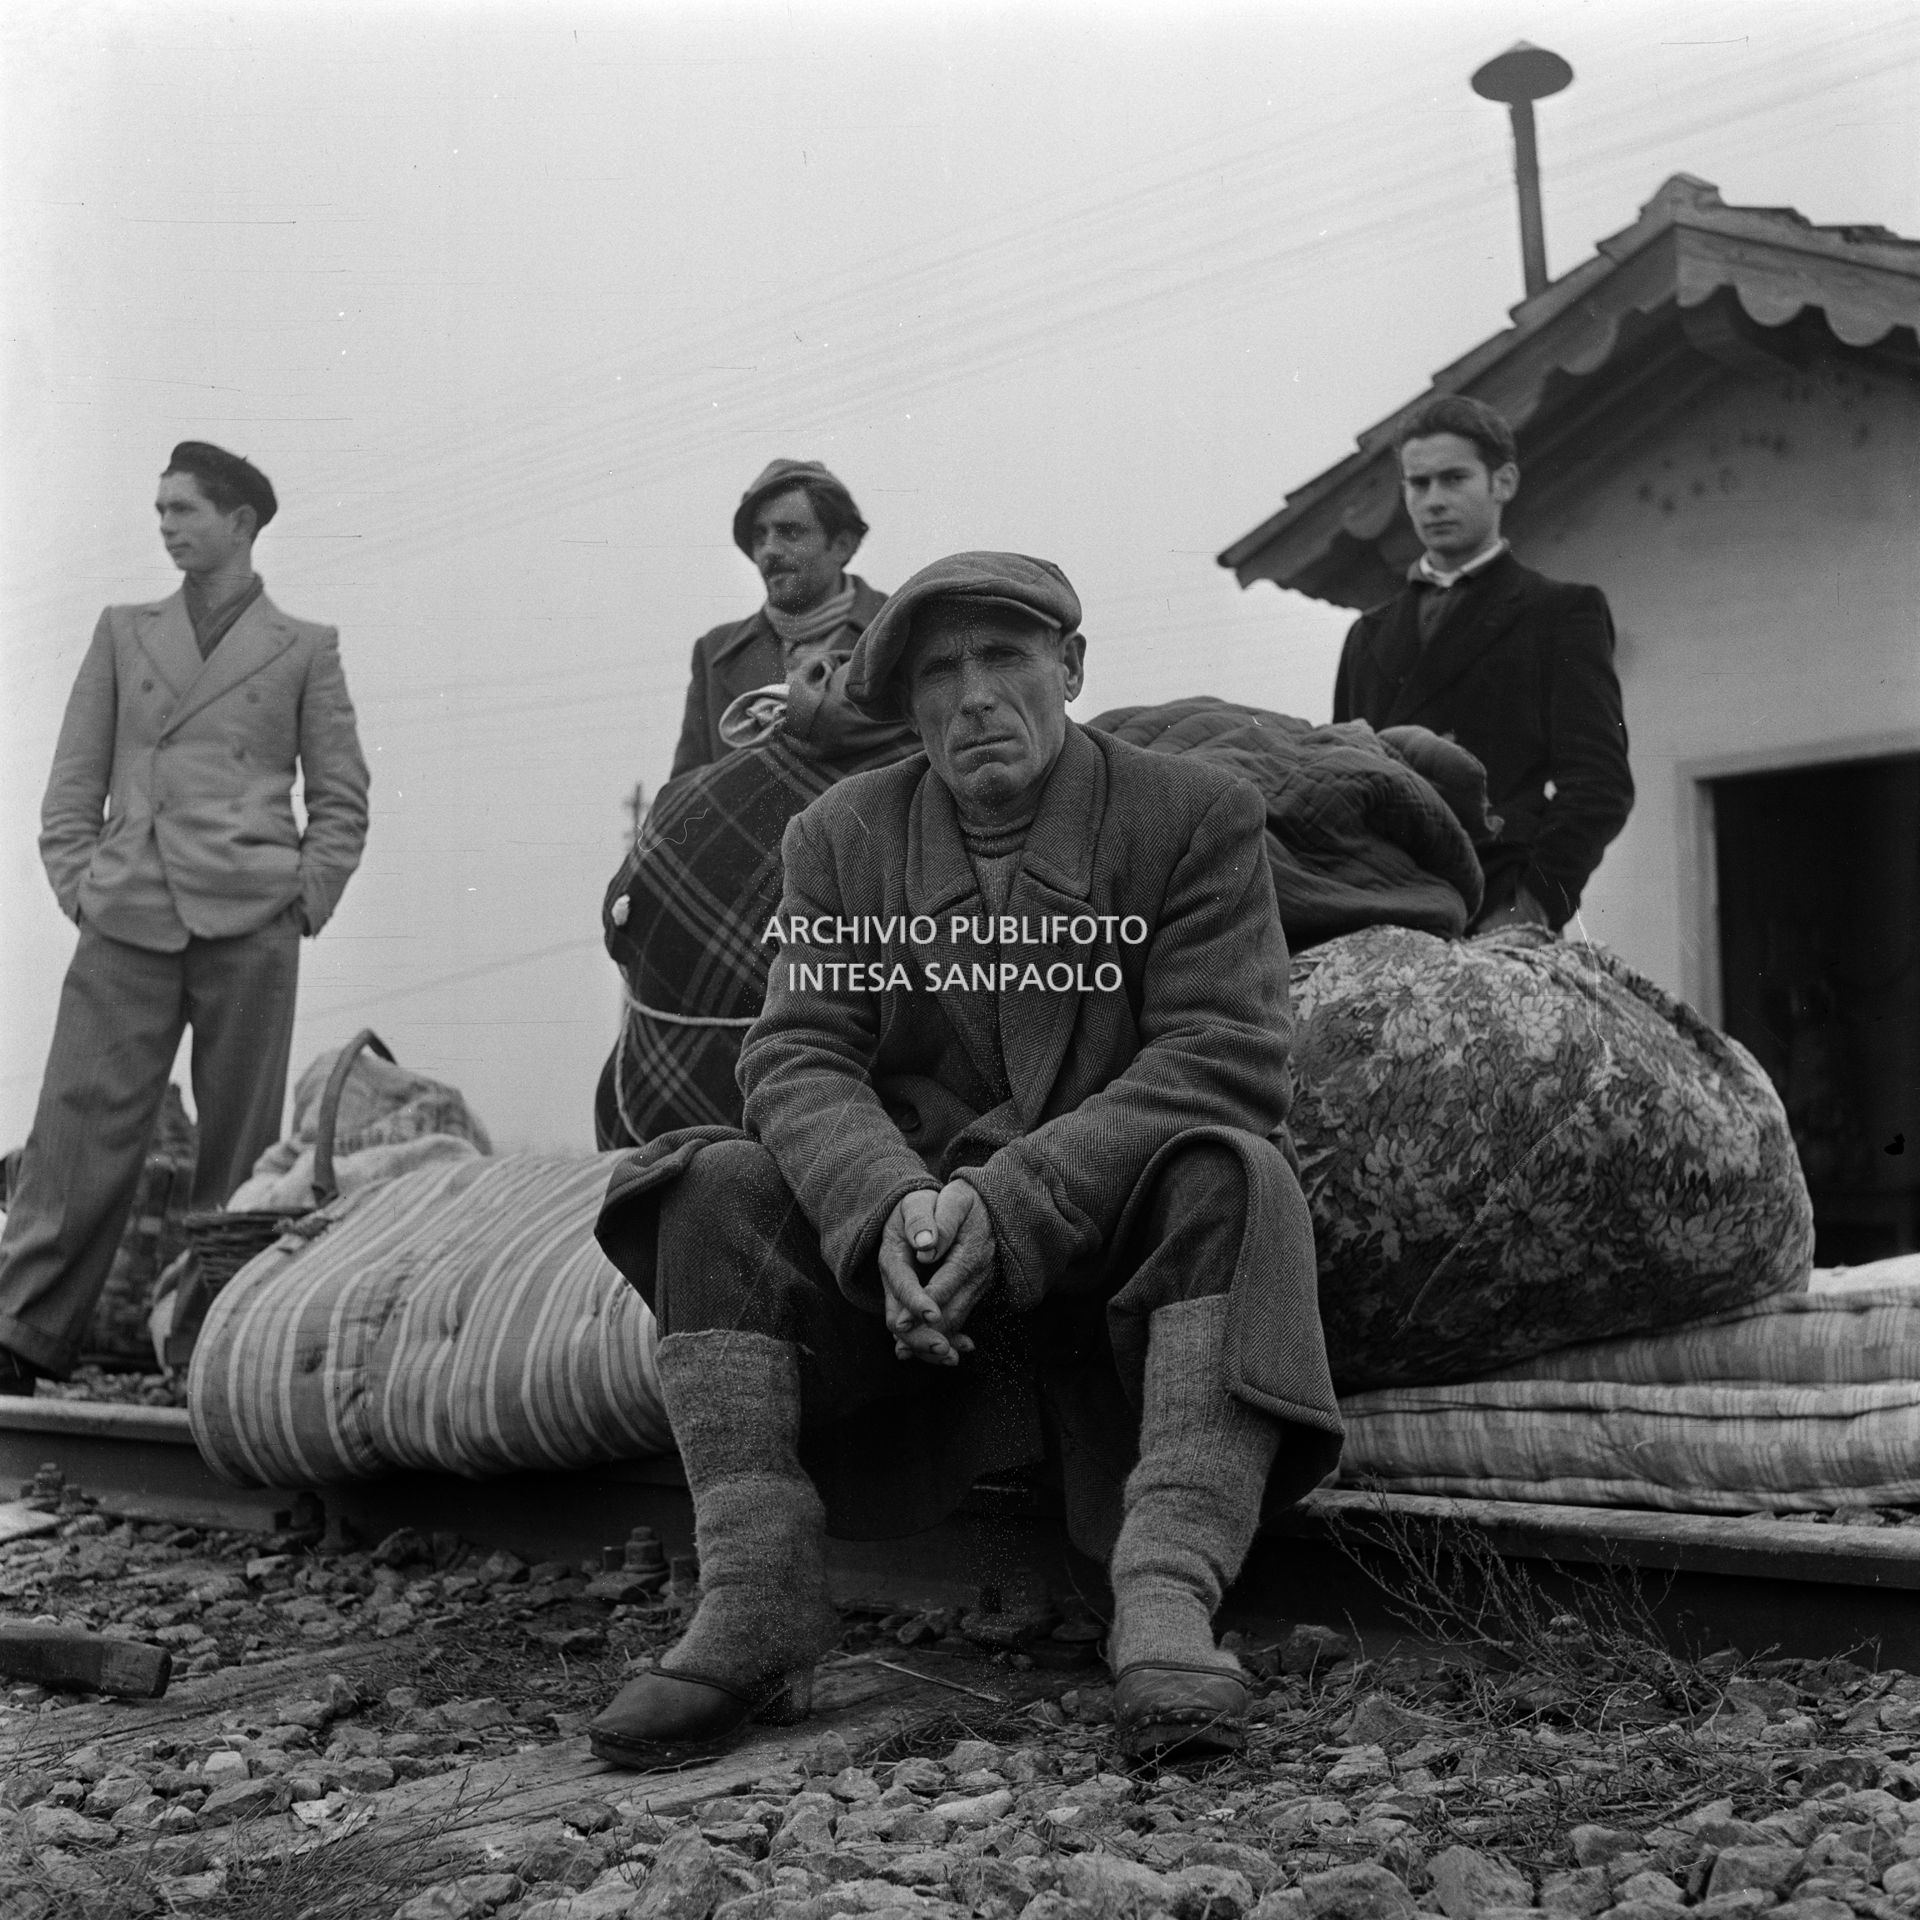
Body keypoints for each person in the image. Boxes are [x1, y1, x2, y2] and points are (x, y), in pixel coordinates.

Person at [592, 551, 1341, 1768]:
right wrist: (884, 1208)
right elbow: (795, 1054)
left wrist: (1010, 1204)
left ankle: (1167, 1595)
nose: (975, 694)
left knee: (1239, 1178)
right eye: (939, 670)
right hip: (911, 1296)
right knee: (698, 1188)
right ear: (907, 707)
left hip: (1100, 1273)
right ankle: (757, 1598)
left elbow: (1222, 1054)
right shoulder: (838, 838)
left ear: (1073, 669)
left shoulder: (1192, 816)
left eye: (1005, 656)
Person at [0, 443, 369, 1393]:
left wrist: (303, 897)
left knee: (238, 1148)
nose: (164, 525)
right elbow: (73, 781)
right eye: (159, 509)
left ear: (240, 522)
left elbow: (341, 798)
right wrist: (81, 884)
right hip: (127, 911)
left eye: (183, 510)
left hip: (251, 922)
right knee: (75, 1131)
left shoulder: (305, 645)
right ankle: (22, 1332)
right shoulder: (124, 632)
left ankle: (213, 1347)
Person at [1331, 395, 1633, 933]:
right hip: (1384, 909)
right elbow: (1343, 785)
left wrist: (1531, 907)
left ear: (1504, 482)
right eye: (1418, 484)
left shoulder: (1559, 612)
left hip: (1493, 901)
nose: (1434, 501)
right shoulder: (1368, 636)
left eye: (1454, 479)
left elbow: (1599, 785)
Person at [669, 458, 887, 780]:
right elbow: (686, 797)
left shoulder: (896, 631)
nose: (769, 550)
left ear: (842, 545)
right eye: (759, 536)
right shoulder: (714, 652)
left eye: (790, 532)